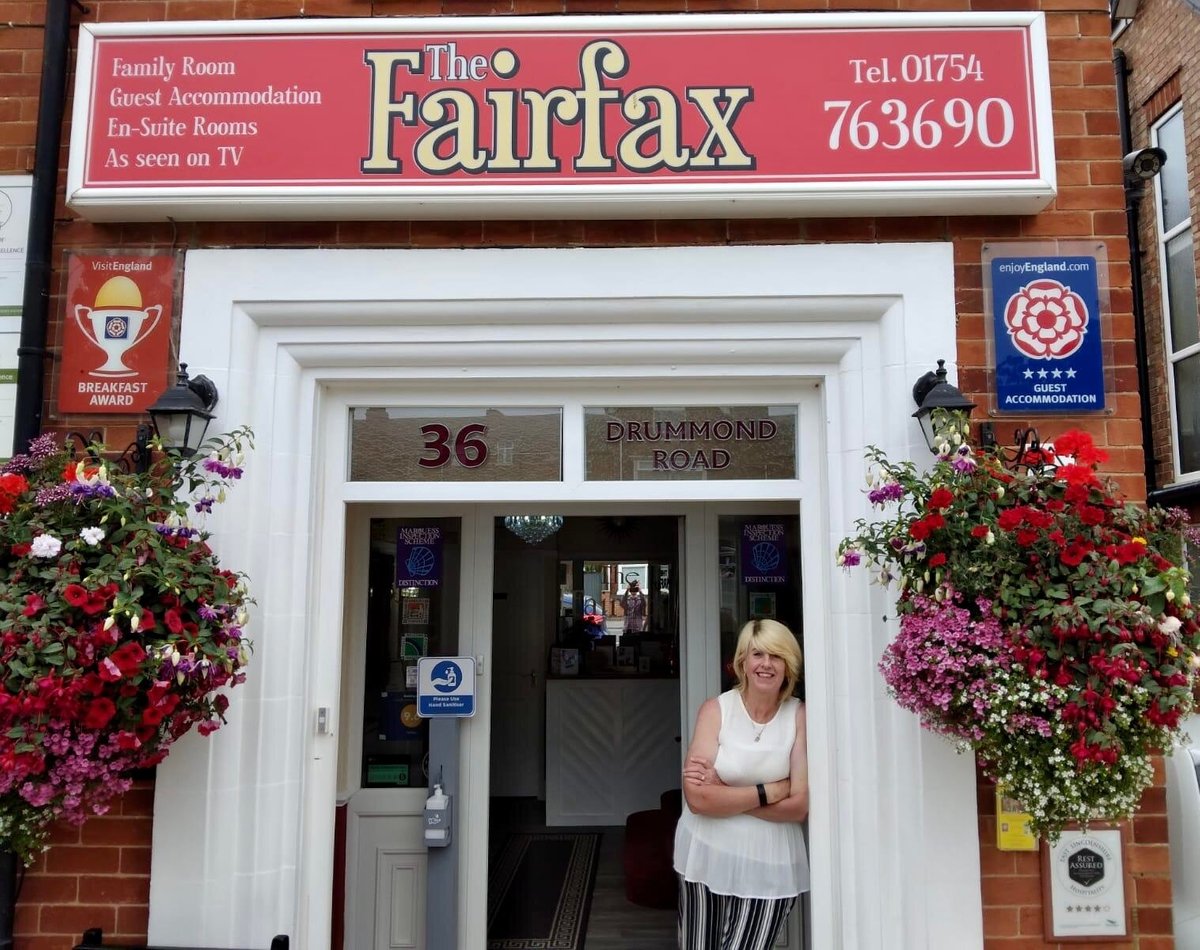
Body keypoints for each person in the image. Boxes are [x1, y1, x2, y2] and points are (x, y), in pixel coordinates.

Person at [673, 618, 809, 949]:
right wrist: (770, 791)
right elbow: (698, 801)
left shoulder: (799, 715)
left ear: (788, 665)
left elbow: (798, 807)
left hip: (771, 861)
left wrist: (728, 795)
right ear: (742, 663)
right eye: (757, 654)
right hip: (706, 853)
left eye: (776, 656)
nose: (766, 664)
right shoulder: (715, 711)